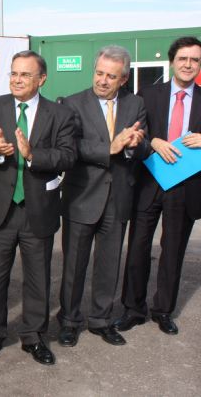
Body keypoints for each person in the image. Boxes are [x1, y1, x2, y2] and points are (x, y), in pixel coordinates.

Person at [115, 37, 201, 335]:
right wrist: (152, 140)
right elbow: (136, 131)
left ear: (200, 64)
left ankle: (163, 310)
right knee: (138, 247)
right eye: (183, 58)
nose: (188, 64)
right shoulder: (148, 94)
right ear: (172, 61)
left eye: (194, 60)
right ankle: (133, 308)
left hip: (186, 184)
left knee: (173, 250)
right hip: (149, 180)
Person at [0, 50, 76, 366]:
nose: (17, 79)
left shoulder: (60, 115)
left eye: (25, 74)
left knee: (37, 277)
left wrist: (33, 155)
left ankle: (33, 337)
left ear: (41, 79)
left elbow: (68, 156)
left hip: (38, 209)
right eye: (14, 73)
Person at [57, 46, 147, 348]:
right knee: (74, 265)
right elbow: (71, 148)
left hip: (118, 197)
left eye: (111, 76)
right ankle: (69, 321)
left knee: (109, 264)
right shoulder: (71, 104)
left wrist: (134, 144)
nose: (103, 80)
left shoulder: (136, 105)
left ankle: (101, 320)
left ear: (123, 79)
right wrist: (110, 147)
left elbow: (140, 148)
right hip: (81, 196)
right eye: (99, 73)